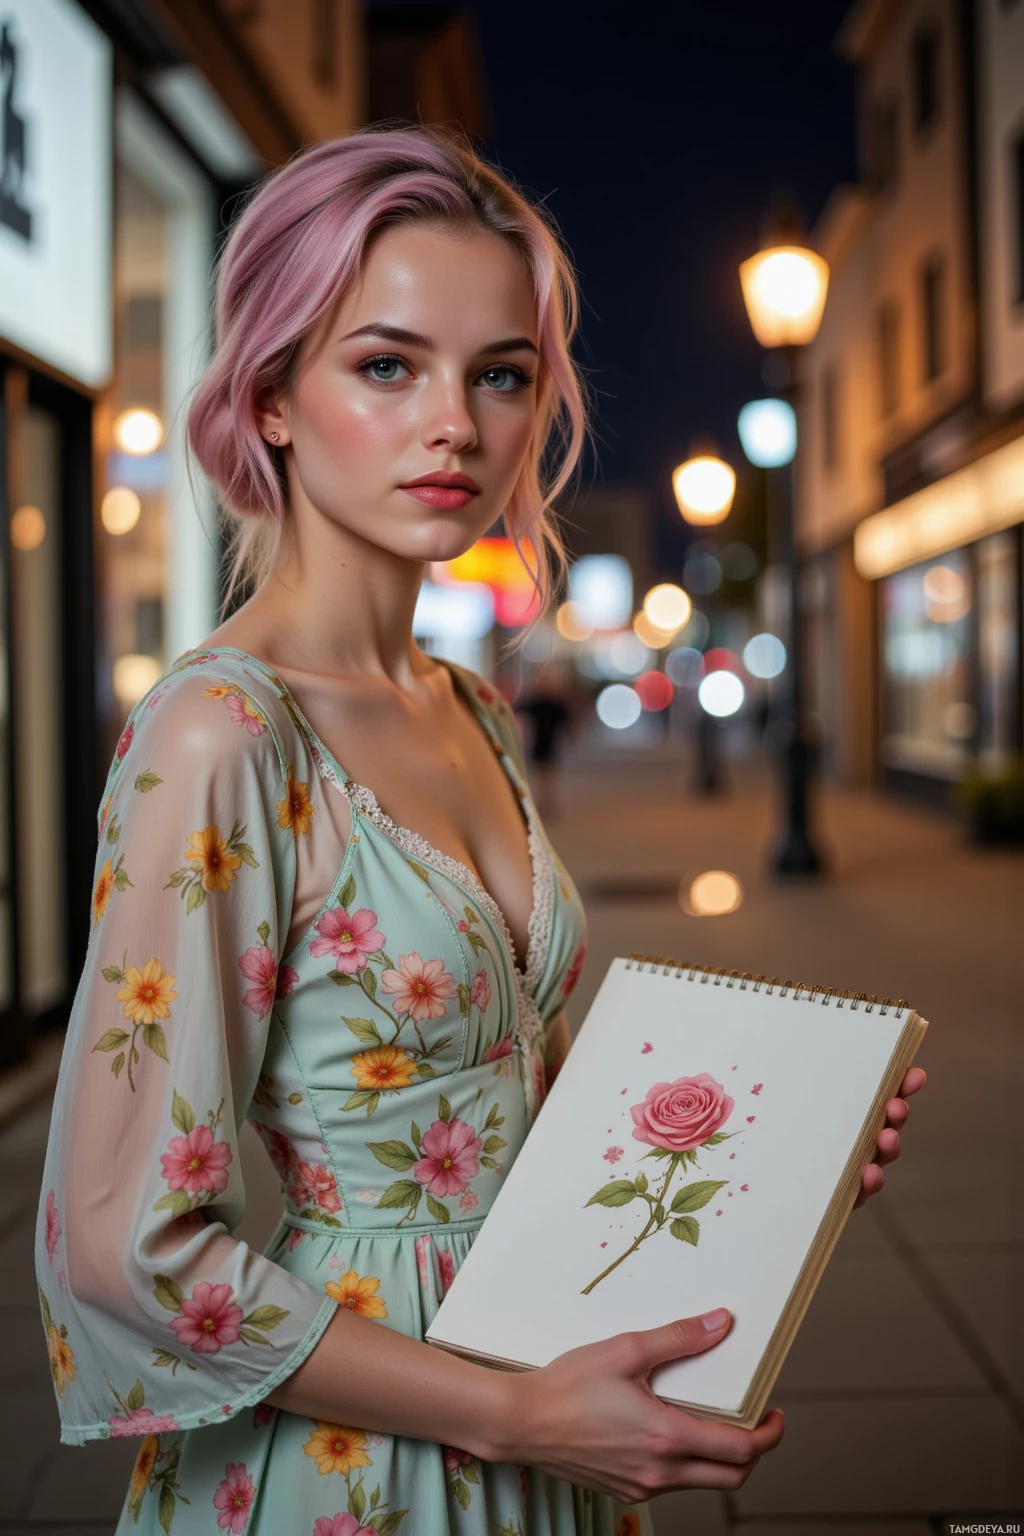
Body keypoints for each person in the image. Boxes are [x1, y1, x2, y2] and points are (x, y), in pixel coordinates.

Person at [34, 127, 923, 1535]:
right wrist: (514, 1413)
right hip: (359, 1453)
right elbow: (121, 1244)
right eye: (386, 364)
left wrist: (771, 1163)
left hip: (544, 1384)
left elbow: (520, 1106)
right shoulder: (223, 737)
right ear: (271, 396)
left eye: (499, 373)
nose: (456, 421)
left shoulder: (469, 707)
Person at [515, 663, 574, 818]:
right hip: (538, 741)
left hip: (549, 741)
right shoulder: (537, 702)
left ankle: (546, 800)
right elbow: (518, 711)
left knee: (547, 772)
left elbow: (566, 721)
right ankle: (543, 800)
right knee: (541, 772)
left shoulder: (553, 703)